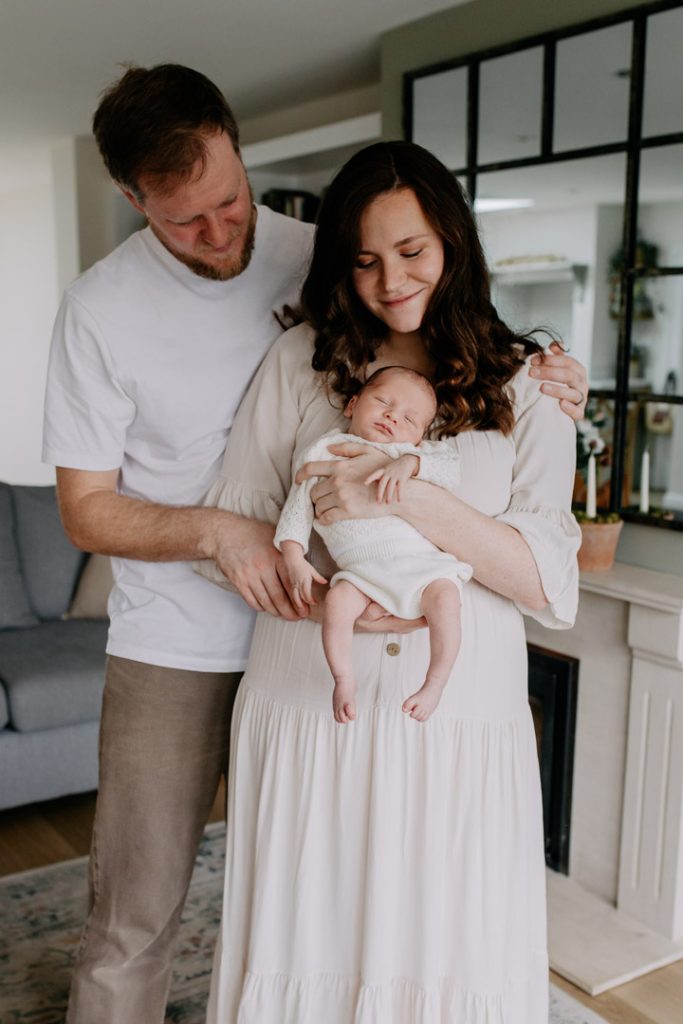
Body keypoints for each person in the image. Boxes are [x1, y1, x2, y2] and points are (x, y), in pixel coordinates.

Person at [42, 62, 586, 1024]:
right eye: (184, 221)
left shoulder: (359, 278)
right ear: (133, 201)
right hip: (227, 653)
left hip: (406, 693)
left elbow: (545, 573)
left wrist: (434, 483)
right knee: (157, 919)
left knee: (429, 940)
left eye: (228, 202)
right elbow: (121, 510)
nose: (219, 234)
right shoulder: (131, 317)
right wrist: (275, 547)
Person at [199, 141, 582, 1024]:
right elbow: (237, 531)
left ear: (452, 240)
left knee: (446, 948)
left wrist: (405, 499)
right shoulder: (300, 360)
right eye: (365, 259)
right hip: (310, 704)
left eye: (411, 251)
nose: (390, 279)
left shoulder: (530, 381)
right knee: (311, 938)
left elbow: (543, 581)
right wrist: (325, 586)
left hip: (459, 720)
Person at [274, 364, 472, 723]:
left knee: (447, 599)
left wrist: (410, 463)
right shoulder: (326, 450)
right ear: (352, 405)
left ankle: (435, 682)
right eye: (383, 402)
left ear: (420, 436)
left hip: (420, 564)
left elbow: (451, 471)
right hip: (360, 571)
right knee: (337, 601)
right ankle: (343, 679)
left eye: (410, 419)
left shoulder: (412, 454)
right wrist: (293, 554)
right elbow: (297, 510)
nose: (393, 417)